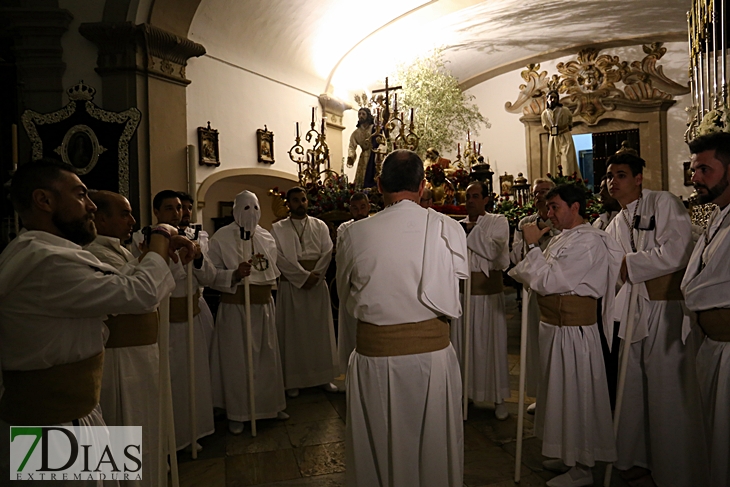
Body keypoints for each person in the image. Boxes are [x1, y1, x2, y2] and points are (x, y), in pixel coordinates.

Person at [0, 158, 193, 485]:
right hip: (51, 425)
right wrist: (161, 233)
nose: (90, 206)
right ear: (44, 200)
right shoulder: (48, 260)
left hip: (73, 412)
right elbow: (140, 293)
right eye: (80, 195)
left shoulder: (43, 251)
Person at [337, 149, 468, 487]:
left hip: (376, 362)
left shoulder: (353, 234)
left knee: (379, 447)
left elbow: (344, 294)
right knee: (434, 446)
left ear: (378, 185)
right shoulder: (449, 229)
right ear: (423, 186)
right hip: (433, 360)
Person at [605, 152, 708, 487]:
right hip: (633, 313)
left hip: (666, 311)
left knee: (667, 393)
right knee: (632, 389)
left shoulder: (662, 203)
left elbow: (678, 251)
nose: (613, 181)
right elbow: (611, 267)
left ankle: (675, 470)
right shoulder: (614, 223)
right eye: (609, 176)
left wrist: (629, 266)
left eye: (621, 174)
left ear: (638, 178)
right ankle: (636, 458)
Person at [509, 183, 622, 487]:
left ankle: (583, 466)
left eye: (555, 207)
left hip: (576, 332)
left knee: (577, 395)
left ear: (575, 207)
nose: (549, 214)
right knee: (559, 394)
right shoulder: (563, 239)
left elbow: (549, 280)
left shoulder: (589, 242)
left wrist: (533, 247)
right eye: (548, 208)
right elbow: (525, 273)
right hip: (555, 328)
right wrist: (532, 249)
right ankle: (567, 453)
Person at [85, 190, 161, 487]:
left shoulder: (118, 249)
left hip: (138, 354)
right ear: (100, 219)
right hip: (119, 359)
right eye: (124, 214)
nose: (132, 220)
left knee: (141, 427)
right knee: (124, 427)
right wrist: (158, 248)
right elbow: (137, 292)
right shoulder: (95, 252)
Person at [208, 190, 287, 435]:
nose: (250, 213)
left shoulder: (267, 237)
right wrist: (233, 274)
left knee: (267, 358)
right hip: (235, 309)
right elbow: (210, 274)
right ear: (235, 210)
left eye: (254, 207)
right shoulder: (221, 237)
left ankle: (269, 406)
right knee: (236, 361)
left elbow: (270, 271)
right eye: (245, 208)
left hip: (262, 307)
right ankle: (238, 412)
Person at [151, 190, 223, 452]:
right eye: (169, 208)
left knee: (195, 376)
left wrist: (199, 257)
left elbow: (210, 277)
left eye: (180, 207)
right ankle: (172, 438)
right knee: (171, 380)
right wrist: (178, 264)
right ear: (157, 212)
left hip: (192, 318)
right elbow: (152, 281)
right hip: (165, 323)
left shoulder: (197, 238)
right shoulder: (147, 240)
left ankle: (195, 430)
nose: (177, 212)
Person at [682, 131, 730, 487]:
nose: (694, 177)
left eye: (704, 170)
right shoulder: (716, 215)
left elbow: (704, 287)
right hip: (712, 346)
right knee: (713, 437)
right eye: (694, 169)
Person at [451, 181, 511, 420]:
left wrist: (470, 232)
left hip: (488, 297)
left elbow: (496, 253)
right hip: (464, 297)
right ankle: (465, 393)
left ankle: (498, 398)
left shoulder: (498, 222)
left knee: (491, 346)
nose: (471, 201)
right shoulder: (458, 226)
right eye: (468, 197)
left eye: (476, 196)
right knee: (463, 345)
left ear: (486, 199)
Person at [271, 187, 338, 396]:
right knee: (294, 333)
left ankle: (324, 377)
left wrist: (315, 275)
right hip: (292, 286)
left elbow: (328, 251)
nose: (301, 203)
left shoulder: (320, 225)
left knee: (319, 333)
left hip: (316, 285)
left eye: (303, 199)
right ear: (288, 203)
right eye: (296, 200)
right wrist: (302, 277)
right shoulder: (277, 228)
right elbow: (278, 257)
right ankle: (293, 381)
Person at [509, 178, 559, 413]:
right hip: (533, 290)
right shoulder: (525, 223)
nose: (540, 196)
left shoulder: (561, 221)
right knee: (535, 344)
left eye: (545, 192)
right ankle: (541, 395)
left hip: (556, 288)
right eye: (536, 192)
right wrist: (531, 241)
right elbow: (515, 255)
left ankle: (558, 395)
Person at [335, 192, 370, 376]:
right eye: (355, 208)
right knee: (350, 330)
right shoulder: (344, 229)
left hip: (371, 284)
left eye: (362, 207)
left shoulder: (375, 225)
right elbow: (343, 258)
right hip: (351, 284)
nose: (359, 211)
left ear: (368, 207)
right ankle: (348, 371)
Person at [541, 90, 580, 179]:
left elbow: (570, 122)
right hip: (553, 138)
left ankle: (569, 179)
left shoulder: (565, 110)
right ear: (547, 99)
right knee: (554, 162)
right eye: (551, 98)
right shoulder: (544, 114)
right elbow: (545, 126)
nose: (553, 99)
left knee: (567, 161)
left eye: (555, 97)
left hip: (565, 137)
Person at [347, 107, 377, 189]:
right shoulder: (356, 133)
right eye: (359, 114)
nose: (361, 116)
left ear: (368, 116)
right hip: (363, 157)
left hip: (374, 155)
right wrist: (351, 155)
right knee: (362, 178)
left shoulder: (374, 129)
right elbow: (351, 146)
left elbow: (380, 141)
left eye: (363, 114)